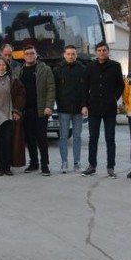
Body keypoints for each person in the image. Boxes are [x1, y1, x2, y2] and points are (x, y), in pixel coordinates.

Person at [82, 42, 124, 178]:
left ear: (108, 51)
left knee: (110, 138)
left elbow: (120, 85)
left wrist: (114, 98)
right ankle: (91, 165)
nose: (101, 53)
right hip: (93, 107)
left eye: (104, 50)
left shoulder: (115, 66)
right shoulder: (89, 67)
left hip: (109, 108)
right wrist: (84, 105)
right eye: (99, 50)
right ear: (96, 52)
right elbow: (85, 87)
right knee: (93, 138)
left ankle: (110, 167)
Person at [14, 45, 55, 176]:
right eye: (27, 53)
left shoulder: (45, 69)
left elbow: (51, 88)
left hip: (41, 110)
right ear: (23, 56)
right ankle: (34, 163)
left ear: (36, 54)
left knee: (41, 138)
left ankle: (45, 165)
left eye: (32, 53)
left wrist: (49, 106)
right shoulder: (19, 70)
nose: (30, 55)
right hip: (25, 111)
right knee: (29, 138)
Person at [52, 45, 88, 174]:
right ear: (64, 55)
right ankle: (64, 163)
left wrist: (84, 105)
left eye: (73, 54)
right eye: (68, 54)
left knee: (77, 137)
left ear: (76, 55)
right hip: (63, 109)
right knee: (63, 137)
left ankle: (77, 163)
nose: (71, 56)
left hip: (78, 109)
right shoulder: (57, 70)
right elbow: (53, 89)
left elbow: (85, 90)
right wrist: (53, 105)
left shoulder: (83, 69)